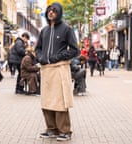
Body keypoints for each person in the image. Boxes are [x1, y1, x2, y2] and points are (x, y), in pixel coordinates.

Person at [35, 2, 79, 141]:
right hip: (46, 70)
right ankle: (51, 129)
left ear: (59, 12)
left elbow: (74, 50)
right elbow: (38, 48)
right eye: (49, 10)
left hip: (60, 68)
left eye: (54, 10)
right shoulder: (44, 30)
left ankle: (65, 131)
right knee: (47, 101)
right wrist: (40, 57)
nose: (51, 12)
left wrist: (57, 57)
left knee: (60, 101)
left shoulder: (66, 29)